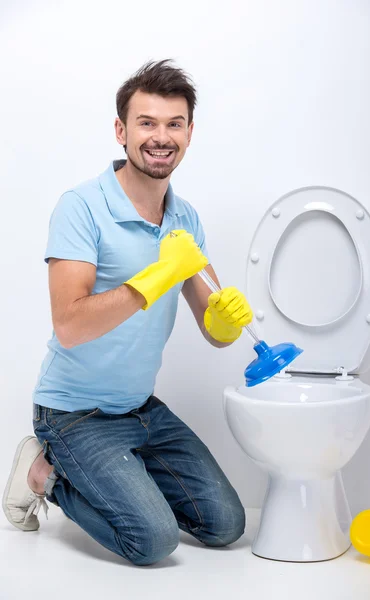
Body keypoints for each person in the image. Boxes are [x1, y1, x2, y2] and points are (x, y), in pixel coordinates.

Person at [2, 60, 253, 566]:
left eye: (174, 124)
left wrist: (224, 321)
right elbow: (69, 325)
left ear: (189, 134)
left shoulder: (184, 217)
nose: (161, 137)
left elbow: (215, 333)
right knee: (152, 542)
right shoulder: (82, 206)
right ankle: (43, 474)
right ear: (121, 130)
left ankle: (123, 475)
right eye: (147, 123)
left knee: (227, 525)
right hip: (74, 415)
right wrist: (156, 277)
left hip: (139, 409)